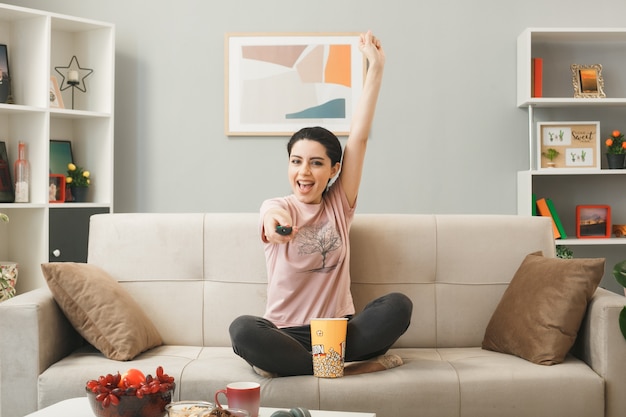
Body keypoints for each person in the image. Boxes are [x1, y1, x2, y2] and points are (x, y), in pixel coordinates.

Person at [229, 31, 413, 377]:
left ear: (334, 169)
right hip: (285, 333)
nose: (304, 171)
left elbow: (358, 136)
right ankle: (352, 368)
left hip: (337, 332)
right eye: (296, 161)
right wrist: (279, 227)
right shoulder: (276, 204)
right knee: (242, 330)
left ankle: (311, 367)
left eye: (315, 162)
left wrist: (376, 67)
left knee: (398, 306)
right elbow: (273, 219)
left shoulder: (339, 205)